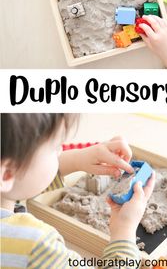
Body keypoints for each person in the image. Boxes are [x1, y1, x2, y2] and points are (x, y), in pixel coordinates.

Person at [1, 114, 155, 269]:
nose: (61, 150)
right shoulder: (37, 247)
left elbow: (22, 182)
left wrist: (75, 160)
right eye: (55, 148)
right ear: (7, 174)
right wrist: (124, 231)